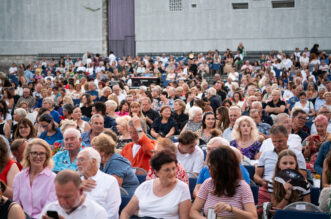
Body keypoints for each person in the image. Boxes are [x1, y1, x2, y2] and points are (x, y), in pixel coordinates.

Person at [120, 150, 191, 219]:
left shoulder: (182, 188)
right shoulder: (145, 186)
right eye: (167, 170)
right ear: (156, 172)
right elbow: (126, 212)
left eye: (174, 168)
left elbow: (184, 217)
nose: (172, 173)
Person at [190, 147, 257, 219]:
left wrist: (231, 209)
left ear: (222, 168)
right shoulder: (208, 183)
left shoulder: (242, 186)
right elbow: (193, 212)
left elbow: (253, 216)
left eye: (211, 165)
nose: (208, 168)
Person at [254, 125, 306, 207]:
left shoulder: (297, 154)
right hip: (267, 189)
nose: (277, 144)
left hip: (291, 188)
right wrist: (262, 181)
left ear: (287, 137)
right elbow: (256, 176)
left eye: (280, 141)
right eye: (274, 141)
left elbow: (303, 175)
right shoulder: (266, 154)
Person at [13, 138, 57, 218]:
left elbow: (50, 208)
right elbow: (16, 206)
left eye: (42, 153)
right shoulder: (18, 177)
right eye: (34, 153)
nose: (38, 156)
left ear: (46, 156)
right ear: (28, 155)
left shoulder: (53, 179)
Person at [40, 170, 107, 219]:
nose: (62, 202)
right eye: (59, 196)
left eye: (67, 197)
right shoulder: (50, 208)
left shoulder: (97, 213)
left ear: (81, 191)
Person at [77, 147, 121, 219]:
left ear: (93, 161)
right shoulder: (76, 182)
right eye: (77, 160)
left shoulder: (110, 181)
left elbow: (112, 213)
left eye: (81, 160)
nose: (77, 164)